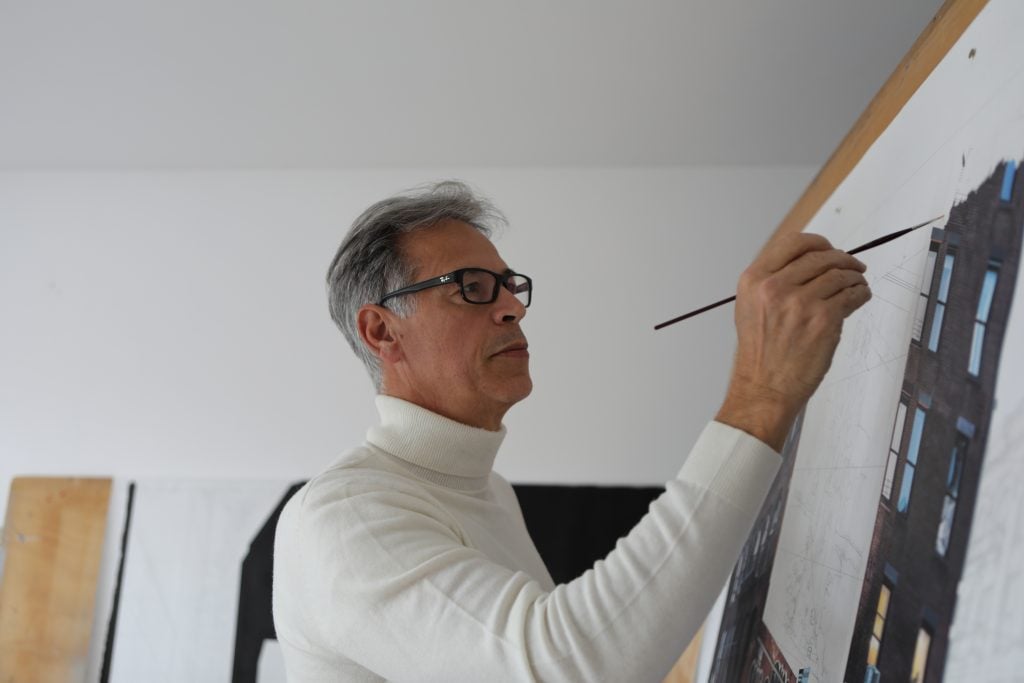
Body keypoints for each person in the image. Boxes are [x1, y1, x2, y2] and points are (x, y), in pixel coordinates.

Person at [272, 181, 870, 681]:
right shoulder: (344, 517)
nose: (513, 307)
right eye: (472, 287)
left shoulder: (486, 491)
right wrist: (761, 395)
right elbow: (567, 668)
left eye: (509, 285)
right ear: (381, 332)